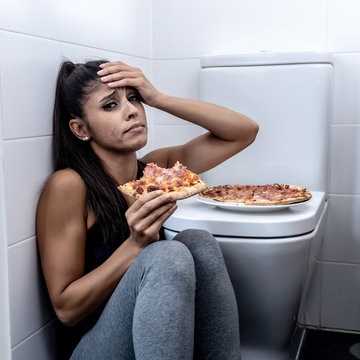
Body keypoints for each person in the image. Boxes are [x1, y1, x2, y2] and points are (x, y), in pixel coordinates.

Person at [36, 59, 259, 360]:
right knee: (166, 253)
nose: (131, 110)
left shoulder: (156, 170)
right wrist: (136, 245)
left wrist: (158, 98)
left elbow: (244, 131)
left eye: (134, 98)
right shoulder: (69, 186)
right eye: (110, 106)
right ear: (80, 128)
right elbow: (66, 309)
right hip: (93, 347)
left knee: (197, 241)